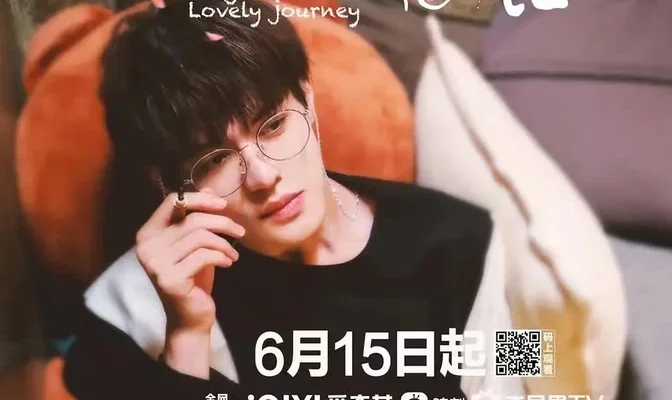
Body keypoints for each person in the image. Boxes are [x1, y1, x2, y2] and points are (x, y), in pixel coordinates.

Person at [62, 0, 500, 398]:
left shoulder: (468, 242)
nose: (263, 176)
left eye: (273, 125)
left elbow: (531, 378)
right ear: (165, 181)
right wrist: (186, 338)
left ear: (307, 99)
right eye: (214, 159)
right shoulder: (128, 311)